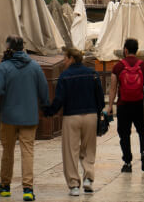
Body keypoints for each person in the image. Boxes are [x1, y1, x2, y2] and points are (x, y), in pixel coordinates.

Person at [0, 35, 49, 202]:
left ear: (8, 48)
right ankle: (28, 189)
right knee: (28, 152)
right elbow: (44, 90)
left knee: (7, 151)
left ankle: (5, 186)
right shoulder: (35, 67)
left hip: (8, 116)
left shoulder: (4, 66)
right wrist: (44, 106)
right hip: (30, 116)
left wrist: (4, 91)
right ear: (23, 47)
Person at [44, 48, 104, 197]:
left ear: (71, 58)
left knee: (71, 151)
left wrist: (50, 111)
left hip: (71, 116)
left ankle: (74, 185)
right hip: (90, 115)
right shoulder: (93, 74)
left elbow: (59, 99)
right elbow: (101, 98)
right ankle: (88, 179)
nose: (64, 61)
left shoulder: (65, 76)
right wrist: (96, 111)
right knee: (89, 149)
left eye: (65, 58)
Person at [107, 38, 144, 173]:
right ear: (136, 50)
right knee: (143, 131)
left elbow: (113, 88)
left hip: (124, 105)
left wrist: (110, 106)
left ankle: (127, 162)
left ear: (125, 50)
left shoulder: (118, 66)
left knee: (124, 134)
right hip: (140, 105)